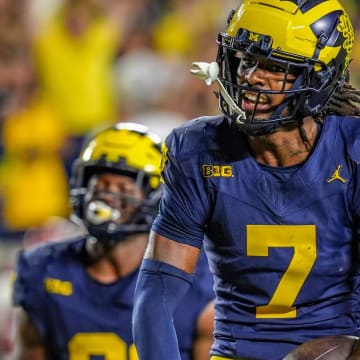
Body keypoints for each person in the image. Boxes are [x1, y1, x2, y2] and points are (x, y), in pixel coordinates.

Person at [132, 0, 360, 359]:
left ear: (317, 78)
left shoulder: (352, 150)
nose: (251, 76)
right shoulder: (198, 150)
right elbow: (156, 293)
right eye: (247, 60)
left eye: (273, 66)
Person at [11, 122, 215, 360]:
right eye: (100, 184)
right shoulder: (43, 269)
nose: (106, 195)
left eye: (123, 187)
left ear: (156, 197)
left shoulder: (194, 279)